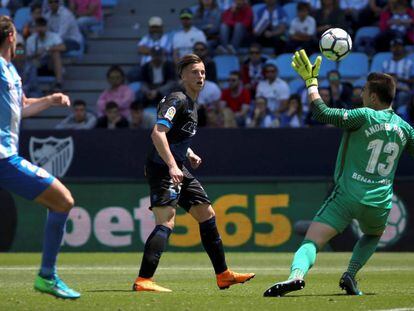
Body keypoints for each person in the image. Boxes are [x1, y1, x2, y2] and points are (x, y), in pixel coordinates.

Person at [264, 49, 414, 297]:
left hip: (347, 196)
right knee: (373, 234)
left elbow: (321, 112)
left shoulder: (364, 115)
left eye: (364, 91)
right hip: (379, 201)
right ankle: (351, 274)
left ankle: (296, 276)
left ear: (374, 97)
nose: (361, 95)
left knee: (312, 241)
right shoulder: (405, 128)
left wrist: (311, 83)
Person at [133, 53, 255, 292]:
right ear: (182, 76)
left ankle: (223, 275)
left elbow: (174, 136)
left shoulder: (192, 104)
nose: (200, 76)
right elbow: (157, 134)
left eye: (202, 72)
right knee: (166, 222)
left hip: (178, 166)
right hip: (162, 168)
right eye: (194, 72)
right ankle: (143, 280)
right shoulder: (177, 100)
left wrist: (188, 153)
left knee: (206, 214)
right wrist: (171, 165)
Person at [0, 15, 80, 299]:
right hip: (3, 159)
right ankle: (47, 276)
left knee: (61, 202)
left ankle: (48, 276)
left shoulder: (10, 70)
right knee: (63, 200)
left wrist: (50, 99)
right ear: (12, 37)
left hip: (6, 157)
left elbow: (21, 107)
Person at [25, 17, 66, 89]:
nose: (40, 29)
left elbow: (63, 47)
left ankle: (59, 82)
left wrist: (47, 49)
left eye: (42, 26)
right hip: (37, 63)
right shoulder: (31, 39)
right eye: (38, 26)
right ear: (35, 28)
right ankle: (31, 87)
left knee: (56, 53)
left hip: (50, 63)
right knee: (31, 63)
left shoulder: (53, 36)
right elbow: (27, 55)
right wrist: (36, 54)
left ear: (46, 27)